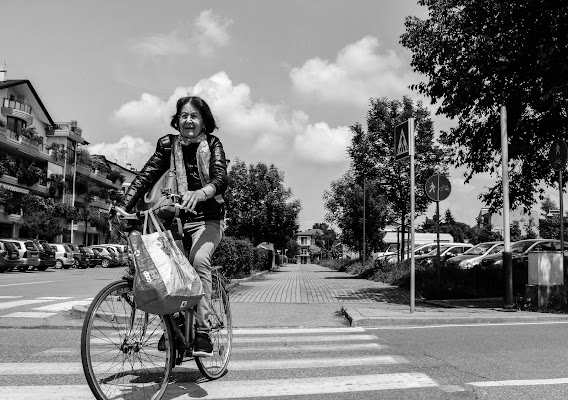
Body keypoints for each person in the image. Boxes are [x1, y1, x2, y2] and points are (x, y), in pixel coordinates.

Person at [119, 95, 228, 357]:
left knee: (198, 260)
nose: (188, 120)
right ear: (177, 120)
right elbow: (147, 175)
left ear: (204, 121)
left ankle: (202, 332)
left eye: (194, 116)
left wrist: (201, 193)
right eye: (184, 116)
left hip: (207, 220)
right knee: (163, 269)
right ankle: (174, 324)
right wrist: (124, 204)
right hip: (176, 220)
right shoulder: (168, 145)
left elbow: (221, 178)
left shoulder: (212, 145)